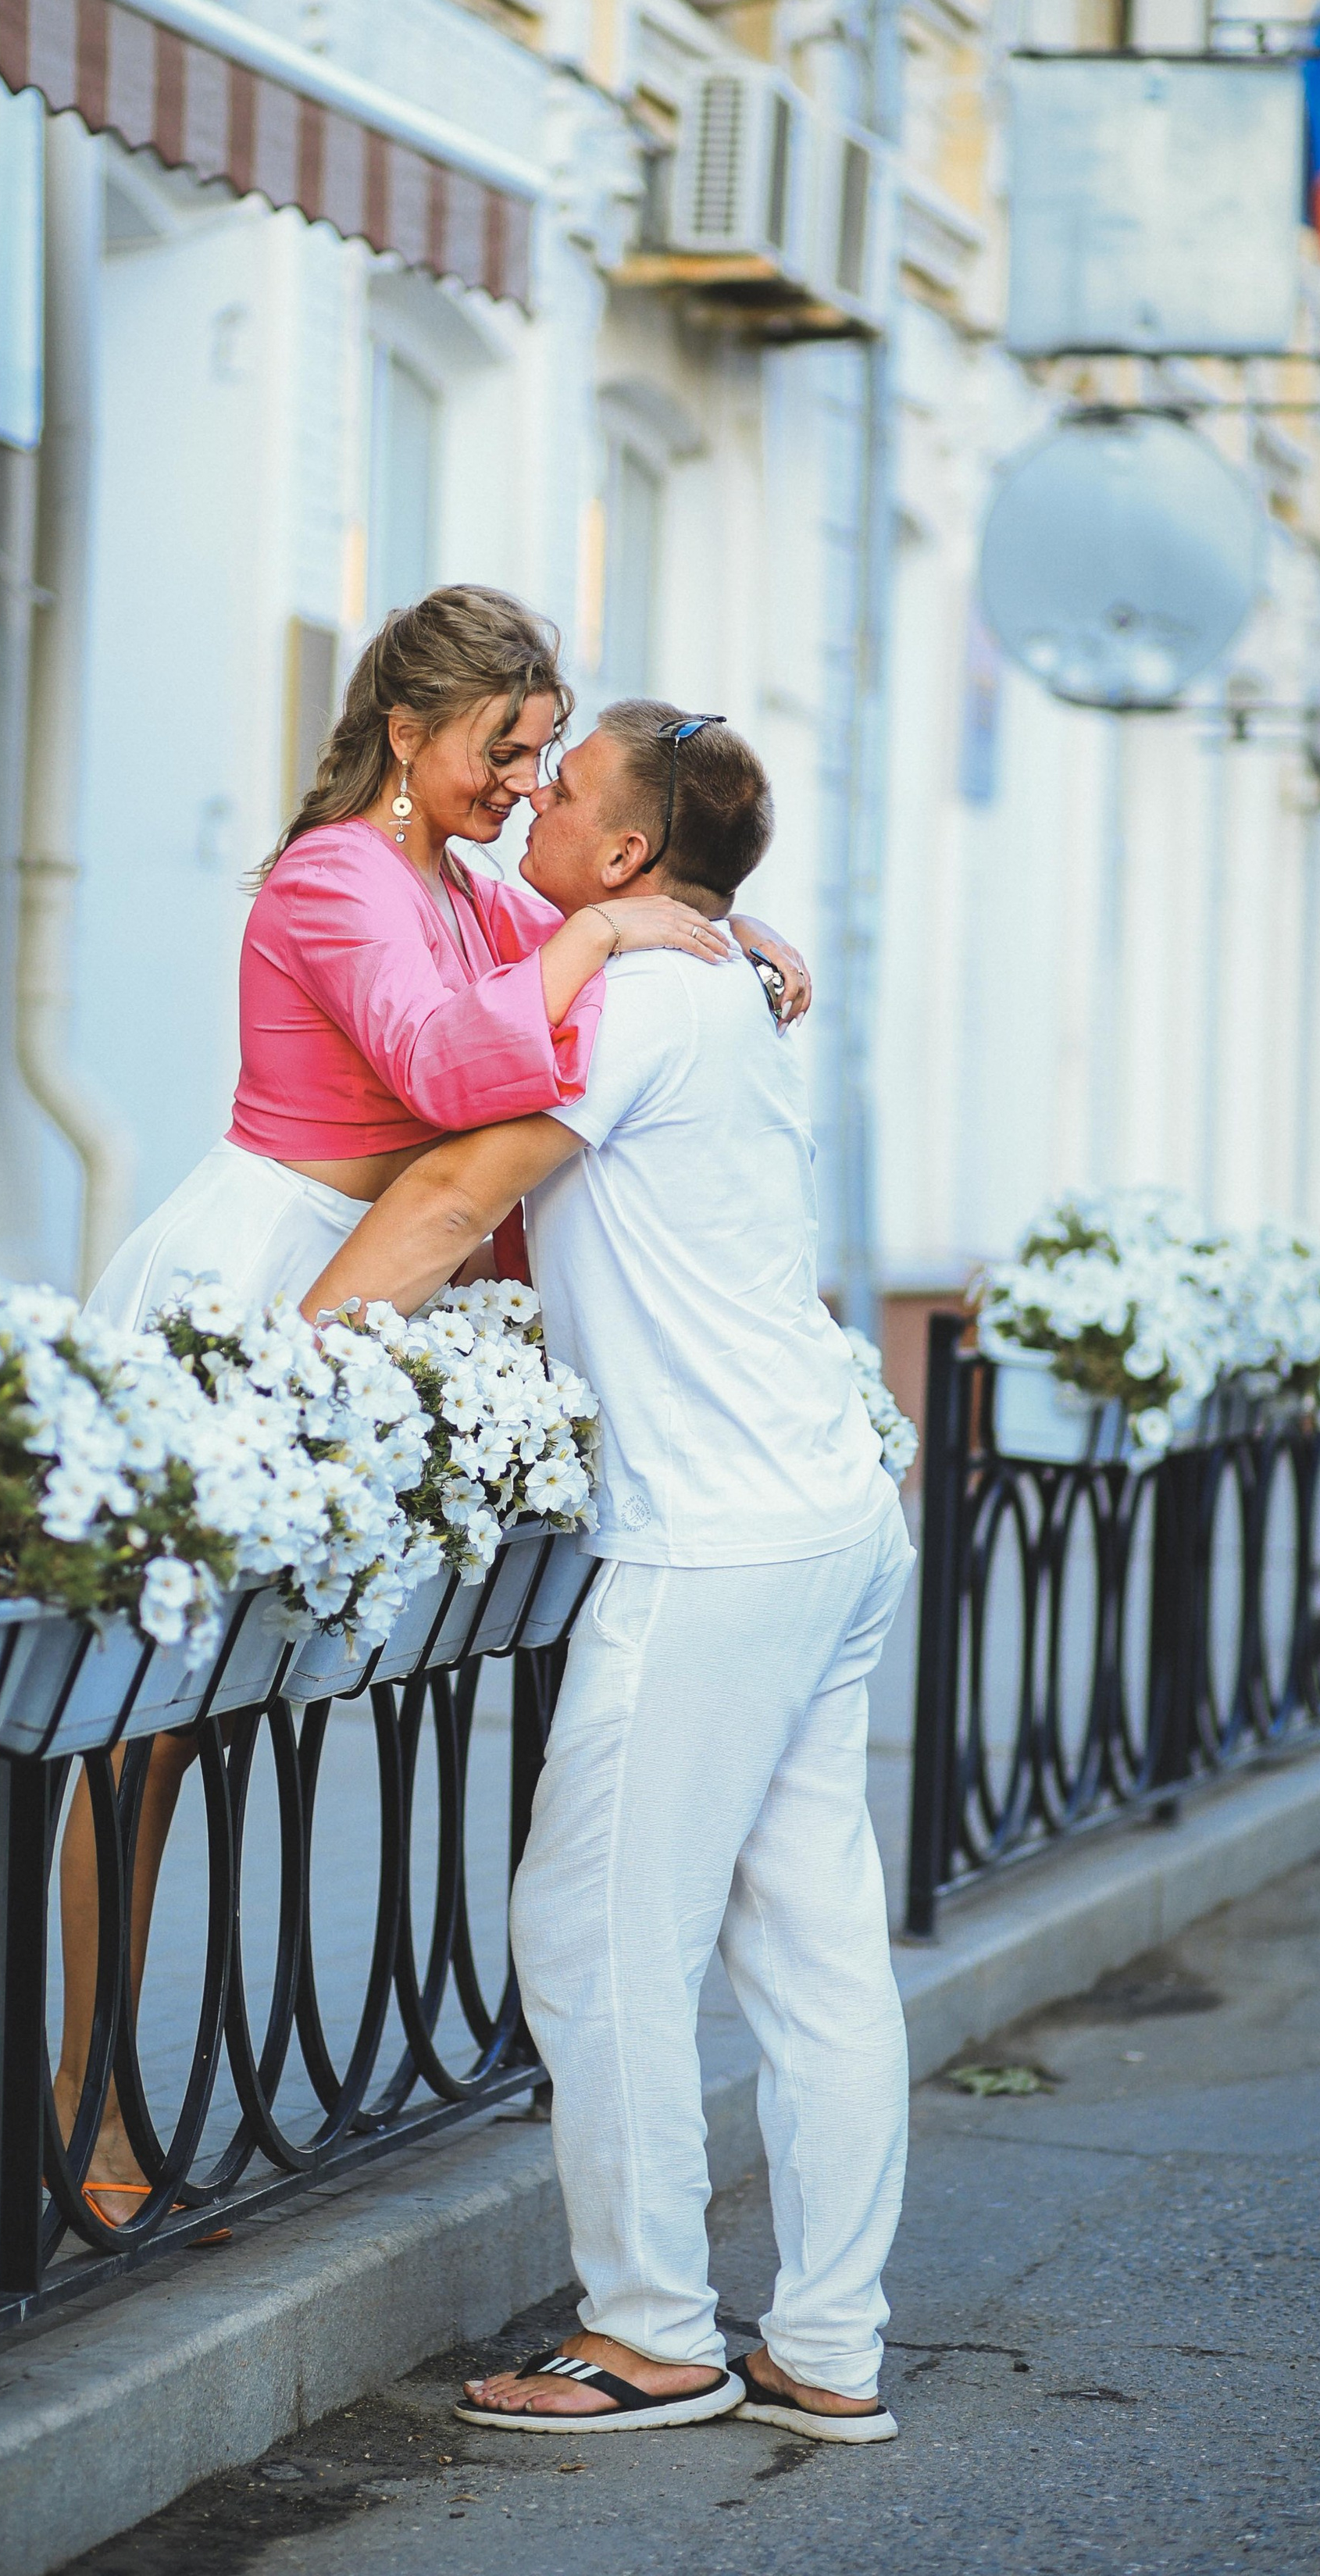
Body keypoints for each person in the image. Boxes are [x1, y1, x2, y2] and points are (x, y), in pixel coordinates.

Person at [52, 592, 812, 2222]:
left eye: (545, 751)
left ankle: (281, 2061)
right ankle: (84, 2085)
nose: (524, 782)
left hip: (379, 1291)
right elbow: (456, 1071)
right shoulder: (335, 878)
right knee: (147, 1726)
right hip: (271, 1277)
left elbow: (545, 987)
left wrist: (714, 927)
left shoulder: (456, 882)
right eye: (503, 747)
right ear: (407, 731)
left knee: (255, 1702)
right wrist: (609, 935)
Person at [296, 701, 912, 2445]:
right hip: (829, 1514)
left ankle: (649, 2333)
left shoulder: (636, 997)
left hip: (717, 1542)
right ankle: (829, 2345)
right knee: (811, 1952)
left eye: (558, 790)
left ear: (629, 857)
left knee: (592, 1932)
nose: (529, 809)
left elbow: (443, 1197)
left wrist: (258, 1387)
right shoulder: (697, 973)